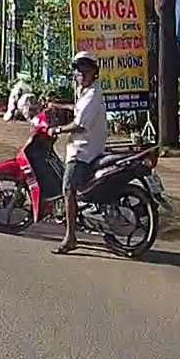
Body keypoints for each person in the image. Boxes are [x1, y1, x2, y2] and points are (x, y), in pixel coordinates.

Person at [49, 51, 107, 255]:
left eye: (85, 70)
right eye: (78, 70)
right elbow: (79, 110)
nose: (81, 74)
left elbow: (80, 124)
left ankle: (70, 237)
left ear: (94, 72)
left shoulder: (92, 95)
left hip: (84, 150)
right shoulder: (86, 92)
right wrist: (58, 106)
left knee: (68, 189)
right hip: (83, 146)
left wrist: (58, 129)